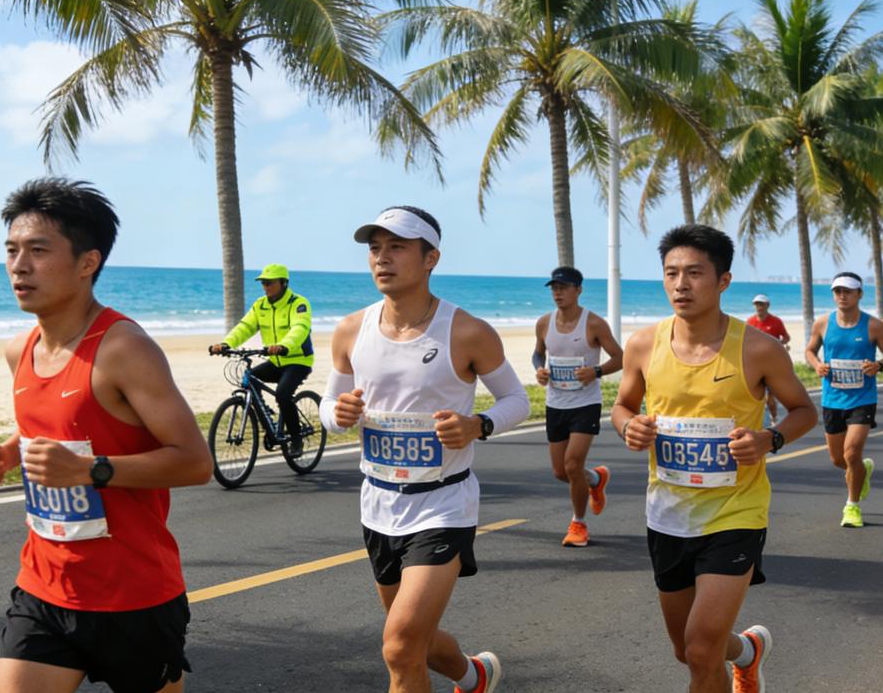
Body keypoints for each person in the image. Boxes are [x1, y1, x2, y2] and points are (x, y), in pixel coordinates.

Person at [0, 178, 212, 693]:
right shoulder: (20, 349)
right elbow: (53, 426)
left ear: (87, 262)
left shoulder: (124, 349)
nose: (19, 266)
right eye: (11, 250)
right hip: (44, 589)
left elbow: (194, 462)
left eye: (38, 250)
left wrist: (89, 471)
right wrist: (7, 454)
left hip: (134, 598)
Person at [320, 205, 529, 693]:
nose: (381, 258)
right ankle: (474, 675)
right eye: (375, 248)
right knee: (417, 639)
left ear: (431, 257)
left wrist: (478, 424)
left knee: (398, 647)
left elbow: (515, 400)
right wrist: (338, 414)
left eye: (397, 247)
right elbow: (330, 406)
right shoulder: (352, 329)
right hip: (378, 503)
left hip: (444, 504)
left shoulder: (467, 331)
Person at [611, 224, 818, 693]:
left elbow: (805, 411)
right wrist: (630, 426)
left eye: (694, 273)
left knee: (702, 650)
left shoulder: (758, 348)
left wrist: (770, 439)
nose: (681, 284)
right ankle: (747, 651)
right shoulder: (644, 345)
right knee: (687, 650)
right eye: (671, 274)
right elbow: (622, 406)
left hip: (735, 513)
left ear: (723, 281)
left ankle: (731, 653)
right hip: (667, 516)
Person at [532, 266, 624, 546]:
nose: (557, 292)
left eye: (564, 287)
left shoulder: (593, 324)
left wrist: (595, 372)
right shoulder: (544, 322)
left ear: (578, 290)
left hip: (585, 403)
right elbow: (538, 354)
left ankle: (578, 525)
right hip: (555, 403)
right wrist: (540, 370)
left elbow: (620, 358)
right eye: (554, 288)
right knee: (561, 472)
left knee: (573, 464)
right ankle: (595, 480)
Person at [804, 273, 883, 529]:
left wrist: (878, 365)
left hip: (862, 398)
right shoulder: (823, 323)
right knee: (838, 460)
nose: (842, 296)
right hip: (832, 398)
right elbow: (810, 350)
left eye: (848, 291)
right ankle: (862, 471)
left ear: (859, 294)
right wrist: (817, 365)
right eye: (837, 291)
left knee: (851, 452)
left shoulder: (874, 325)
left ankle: (852, 506)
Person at [210, 264, 314, 455]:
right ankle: (267, 416)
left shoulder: (298, 303)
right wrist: (225, 344)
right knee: (250, 378)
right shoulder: (261, 305)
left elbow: (299, 329)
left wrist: (284, 346)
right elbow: (245, 327)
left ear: (283, 283)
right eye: (263, 283)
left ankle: (297, 439)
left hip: (298, 361)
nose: (265, 287)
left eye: (269, 283)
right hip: (276, 362)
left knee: (283, 395)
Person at [744, 294, 790, 426]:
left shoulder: (776, 321)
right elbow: (746, 341)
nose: (759, 307)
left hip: (771, 365)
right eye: (757, 304)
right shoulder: (750, 322)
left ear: (767, 305)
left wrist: (779, 346)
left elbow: (786, 338)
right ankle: (755, 422)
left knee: (770, 399)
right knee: (753, 396)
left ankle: (774, 418)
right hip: (755, 365)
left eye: (761, 304)